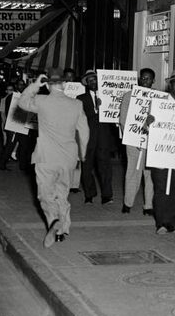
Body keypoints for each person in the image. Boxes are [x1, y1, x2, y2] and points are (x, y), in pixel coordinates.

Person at [17, 68, 89, 245]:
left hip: (46, 157)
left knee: (46, 196)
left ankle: (54, 221)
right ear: (65, 84)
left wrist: (34, 85)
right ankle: (61, 231)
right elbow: (85, 132)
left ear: (48, 85)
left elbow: (22, 102)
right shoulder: (76, 104)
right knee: (62, 194)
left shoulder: (41, 101)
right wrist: (83, 154)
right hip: (68, 158)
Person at [149, 69, 175, 234]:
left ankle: (171, 222)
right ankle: (160, 222)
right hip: (160, 154)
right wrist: (149, 122)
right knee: (161, 188)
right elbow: (146, 127)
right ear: (170, 84)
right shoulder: (158, 103)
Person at [118, 68, 156, 216]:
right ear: (139, 79)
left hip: (152, 142)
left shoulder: (159, 97)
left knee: (150, 174)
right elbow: (123, 119)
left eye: (148, 79)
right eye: (143, 78)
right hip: (133, 141)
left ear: (153, 80)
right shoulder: (129, 96)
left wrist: (151, 126)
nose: (145, 81)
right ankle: (128, 203)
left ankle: (149, 205)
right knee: (132, 171)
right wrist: (135, 135)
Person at [77, 69, 114, 204]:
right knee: (87, 167)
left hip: (104, 138)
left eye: (95, 79)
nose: (93, 82)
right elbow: (79, 118)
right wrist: (96, 110)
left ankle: (107, 196)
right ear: (86, 83)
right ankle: (89, 195)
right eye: (90, 80)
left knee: (105, 168)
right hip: (87, 138)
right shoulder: (80, 99)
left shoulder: (108, 96)